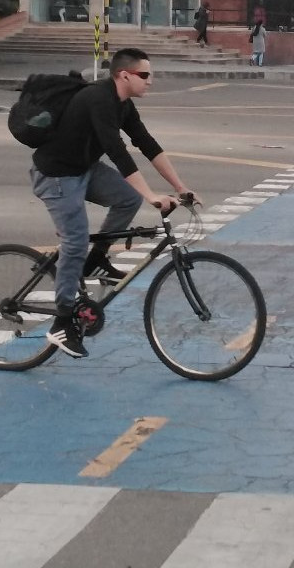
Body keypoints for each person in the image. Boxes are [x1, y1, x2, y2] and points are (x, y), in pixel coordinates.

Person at [30, 48, 199, 359]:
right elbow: (118, 152)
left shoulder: (124, 105)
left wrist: (181, 188)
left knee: (127, 198)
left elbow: (147, 144)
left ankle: (95, 260)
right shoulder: (100, 100)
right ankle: (62, 322)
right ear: (124, 75)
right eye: (145, 75)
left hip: (83, 168)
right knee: (76, 239)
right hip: (56, 175)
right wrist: (152, 196)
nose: (151, 81)